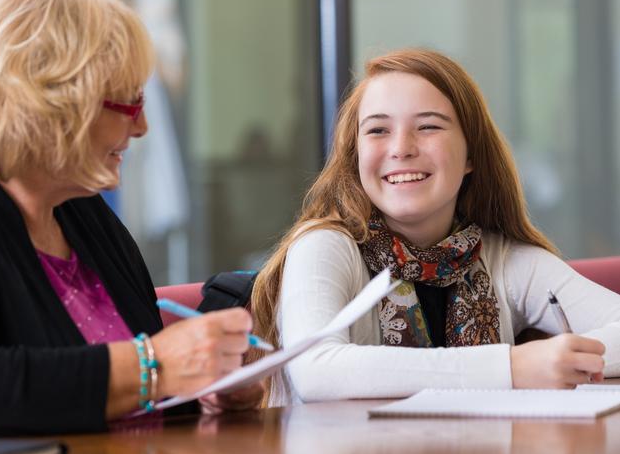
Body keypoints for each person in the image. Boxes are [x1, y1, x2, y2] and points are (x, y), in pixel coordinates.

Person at [251, 48, 620, 406]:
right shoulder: (324, 246)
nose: (401, 148)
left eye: (428, 126)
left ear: (471, 154)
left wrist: (564, 363)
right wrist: (511, 367)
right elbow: (317, 371)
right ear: (356, 154)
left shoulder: (503, 258)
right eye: (378, 130)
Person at [0, 0, 261, 435]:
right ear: (51, 102)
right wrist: (156, 367)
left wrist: (203, 391)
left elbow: (138, 395)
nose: (142, 127)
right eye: (128, 103)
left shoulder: (83, 212)